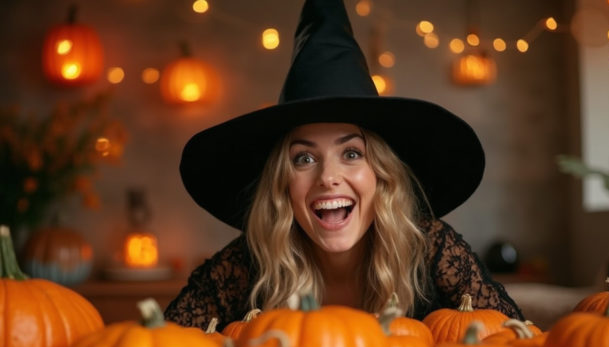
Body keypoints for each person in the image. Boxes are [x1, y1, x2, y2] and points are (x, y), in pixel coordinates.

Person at [164, 0, 523, 330]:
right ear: (282, 184)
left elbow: (515, 344)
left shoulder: (429, 247)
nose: (328, 178)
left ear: (382, 175)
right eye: (304, 159)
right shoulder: (249, 261)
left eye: (351, 153)